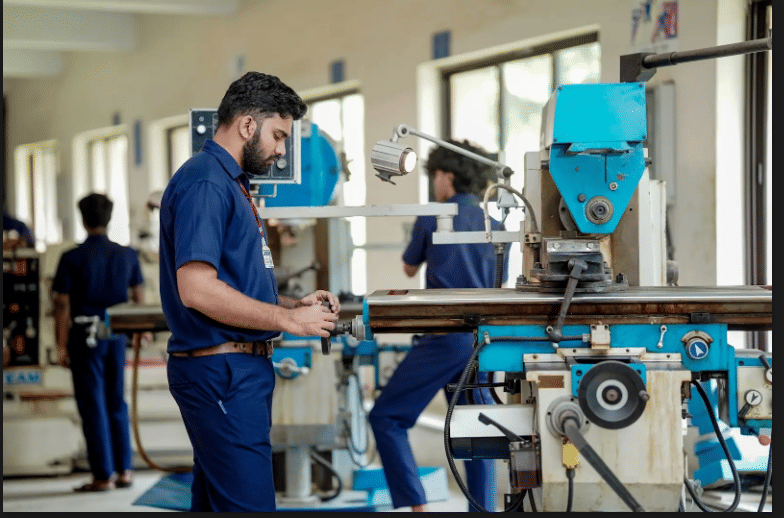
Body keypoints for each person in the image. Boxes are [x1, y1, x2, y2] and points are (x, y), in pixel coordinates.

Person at [158, 71, 341, 512]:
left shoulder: (231, 183)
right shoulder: (206, 182)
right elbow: (197, 289)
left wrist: (292, 304)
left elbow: (232, 282)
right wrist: (287, 320)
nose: (282, 151)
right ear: (246, 125)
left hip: (235, 370)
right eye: (278, 136)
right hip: (222, 372)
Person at [368, 139, 508, 512]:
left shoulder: (434, 216)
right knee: (476, 433)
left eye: (435, 177)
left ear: (446, 176)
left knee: (386, 417)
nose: (434, 185)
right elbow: (500, 284)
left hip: (445, 336)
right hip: (483, 342)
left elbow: (408, 268)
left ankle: (416, 506)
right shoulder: (496, 225)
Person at [52, 193, 145, 492]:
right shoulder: (127, 255)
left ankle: (103, 475)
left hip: (85, 335)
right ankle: (125, 470)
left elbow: (62, 304)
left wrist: (61, 344)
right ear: (109, 218)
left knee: (93, 403)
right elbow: (138, 295)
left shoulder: (71, 257)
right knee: (116, 400)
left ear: (83, 219)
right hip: (114, 333)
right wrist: (141, 331)